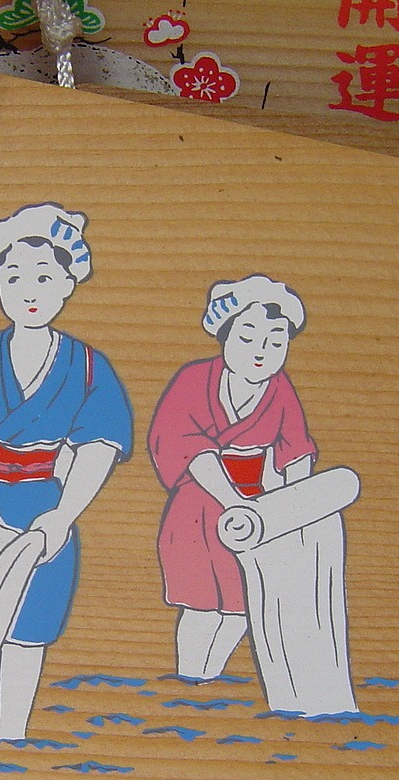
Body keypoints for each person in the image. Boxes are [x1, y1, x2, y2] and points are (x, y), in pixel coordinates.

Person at [0, 202, 133, 741]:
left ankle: (11, 733)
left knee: (28, 626)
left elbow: (99, 445)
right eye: (13, 277)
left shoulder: (88, 366)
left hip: (44, 502)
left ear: (68, 285)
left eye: (44, 277)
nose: (28, 291)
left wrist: (62, 516)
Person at [147, 274, 316, 681]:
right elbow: (182, 443)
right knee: (201, 605)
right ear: (224, 336)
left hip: (258, 510)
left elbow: (295, 450)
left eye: (276, 342)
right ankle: (190, 678)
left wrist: (293, 510)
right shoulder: (194, 379)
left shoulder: (280, 388)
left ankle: (208, 678)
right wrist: (234, 500)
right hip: (198, 508)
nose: (261, 351)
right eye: (248, 337)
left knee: (243, 606)